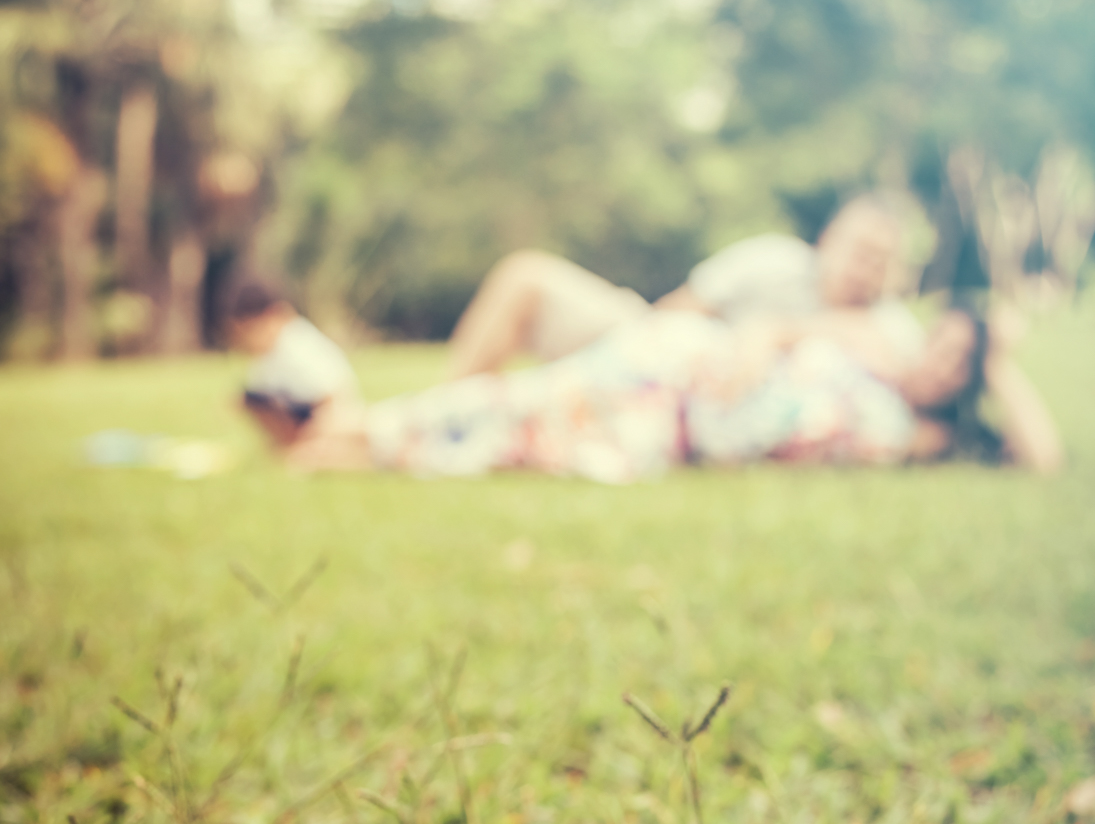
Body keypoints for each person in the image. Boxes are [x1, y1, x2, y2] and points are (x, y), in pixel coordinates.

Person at [287, 298, 1062, 481]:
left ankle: (347, 441)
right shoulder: (877, 342)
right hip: (682, 369)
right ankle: (347, 428)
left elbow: (1045, 460)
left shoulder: (934, 437)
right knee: (522, 400)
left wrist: (995, 356)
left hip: (680, 431)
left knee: (528, 439)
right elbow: (777, 326)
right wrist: (754, 350)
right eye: (945, 345)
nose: (940, 365)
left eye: (961, 365)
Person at [446, 195, 924, 382]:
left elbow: (921, 378)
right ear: (826, 242)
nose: (866, 268)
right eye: (859, 250)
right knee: (524, 276)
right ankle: (449, 409)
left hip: (704, 401)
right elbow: (681, 307)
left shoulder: (887, 323)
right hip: (651, 341)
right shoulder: (773, 260)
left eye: (881, 260)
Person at [229, 280, 364, 450]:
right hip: (301, 420)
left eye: (249, 331)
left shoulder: (297, 345)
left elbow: (332, 399)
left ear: (274, 315)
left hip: (334, 423)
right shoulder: (266, 356)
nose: (245, 343)